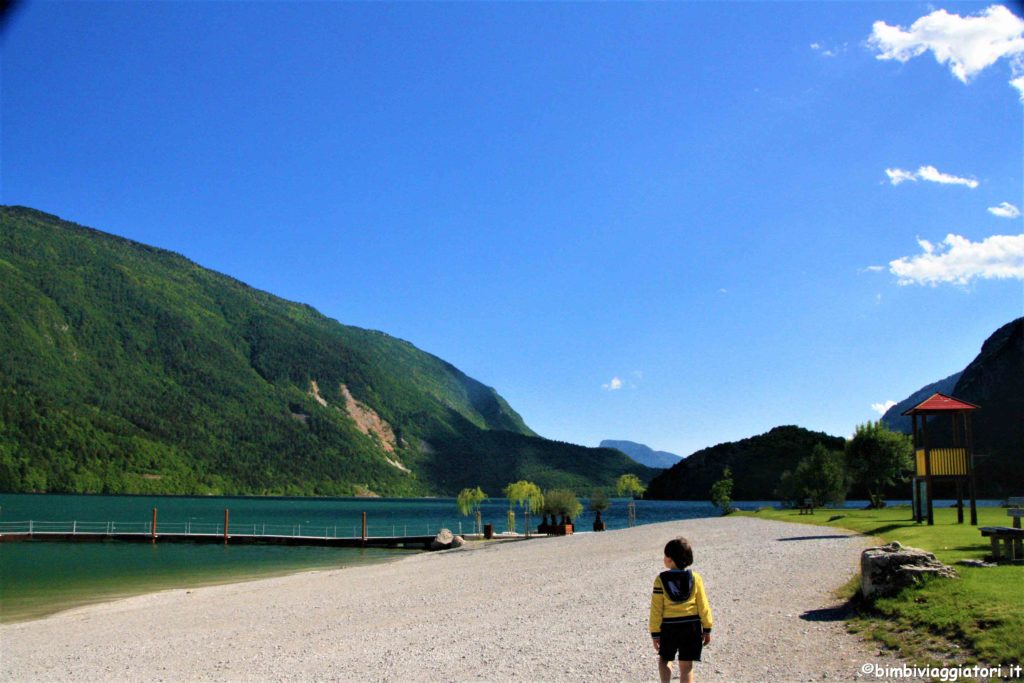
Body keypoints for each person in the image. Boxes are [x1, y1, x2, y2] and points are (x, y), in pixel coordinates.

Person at [649, 537, 713, 683]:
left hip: (668, 627)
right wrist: (707, 628)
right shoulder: (695, 578)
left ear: (670, 560)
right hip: (691, 627)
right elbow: (703, 605)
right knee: (686, 666)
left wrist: (655, 632)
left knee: (665, 660)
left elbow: (656, 609)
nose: (663, 558)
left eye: (665, 556)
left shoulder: (661, 580)